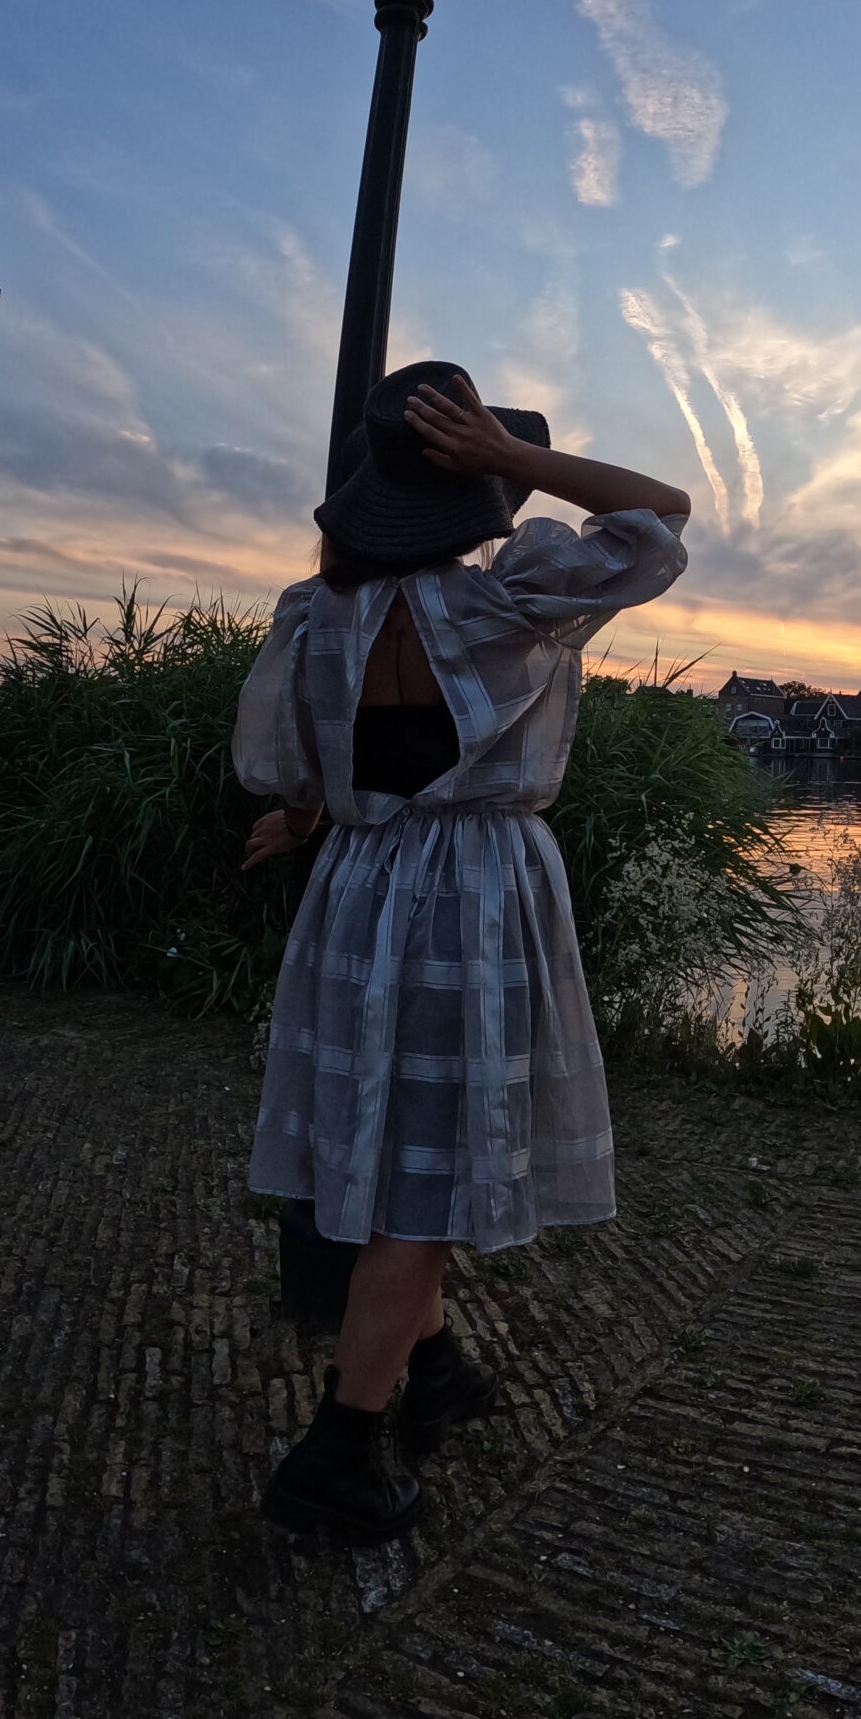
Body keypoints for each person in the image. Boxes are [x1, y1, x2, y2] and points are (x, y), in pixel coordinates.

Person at [235, 360, 690, 1541]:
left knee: (395, 1143)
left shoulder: (317, 616)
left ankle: (433, 1376)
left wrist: (302, 819)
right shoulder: (505, 599)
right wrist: (516, 458)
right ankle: (335, 1454)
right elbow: (660, 514)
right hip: (474, 891)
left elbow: (298, 769)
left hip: (356, 888)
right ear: (468, 487)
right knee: (422, 1185)